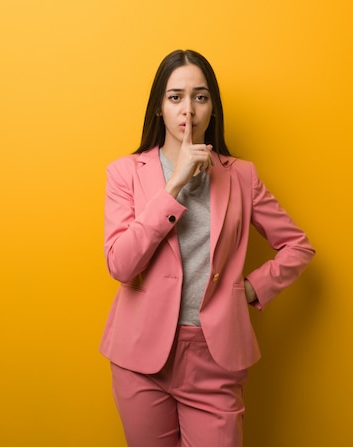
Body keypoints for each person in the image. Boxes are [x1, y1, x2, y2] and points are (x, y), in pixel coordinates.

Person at [100, 49, 315, 447]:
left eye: (200, 97)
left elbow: (297, 247)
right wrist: (174, 184)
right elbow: (121, 264)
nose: (188, 110)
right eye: (175, 97)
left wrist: (250, 288)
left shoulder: (241, 176)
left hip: (214, 357)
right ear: (158, 109)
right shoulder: (125, 173)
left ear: (212, 108)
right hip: (140, 358)